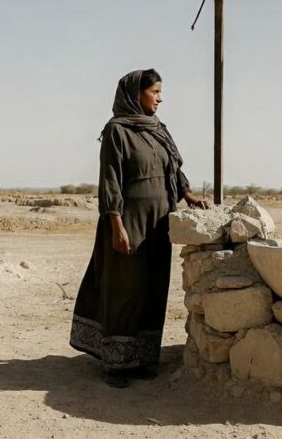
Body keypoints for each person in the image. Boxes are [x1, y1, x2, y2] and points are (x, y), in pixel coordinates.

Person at [70, 68, 208, 388]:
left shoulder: (159, 129)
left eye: (161, 92)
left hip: (160, 221)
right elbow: (110, 181)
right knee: (125, 289)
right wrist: (116, 224)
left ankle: (142, 357)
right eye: (154, 92)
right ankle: (116, 363)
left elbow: (173, 166)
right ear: (136, 94)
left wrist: (187, 195)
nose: (160, 98)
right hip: (128, 220)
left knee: (153, 285)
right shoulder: (117, 131)